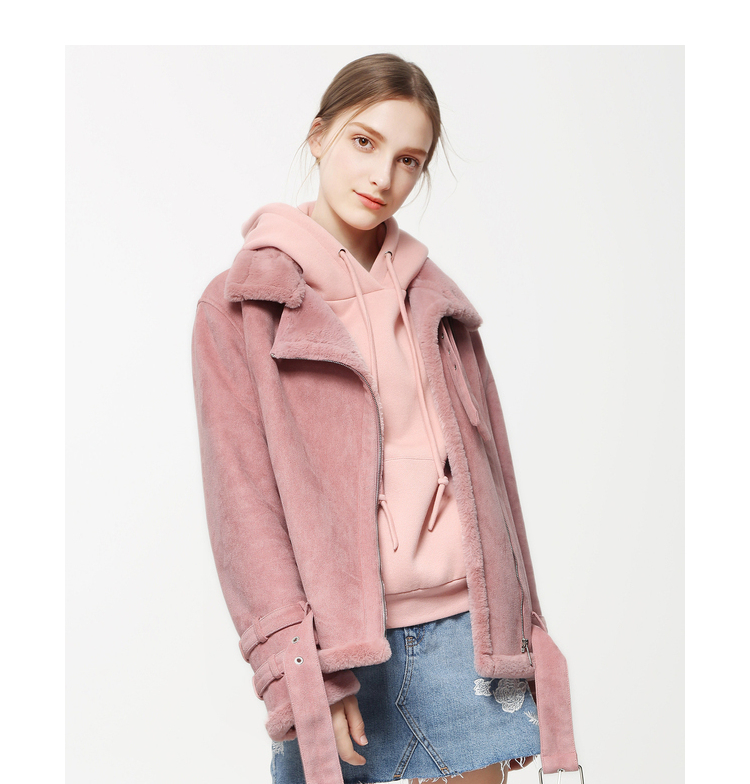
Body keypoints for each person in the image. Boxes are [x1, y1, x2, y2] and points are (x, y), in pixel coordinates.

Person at [191, 53, 581, 784]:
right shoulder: (240, 305)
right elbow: (243, 508)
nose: (382, 177)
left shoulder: (439, 306)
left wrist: (520, 632)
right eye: (364, 142)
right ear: (319, 136)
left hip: (465, 631)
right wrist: (298, 665)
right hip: (337, 644)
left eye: (408, 160)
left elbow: (496, 484)